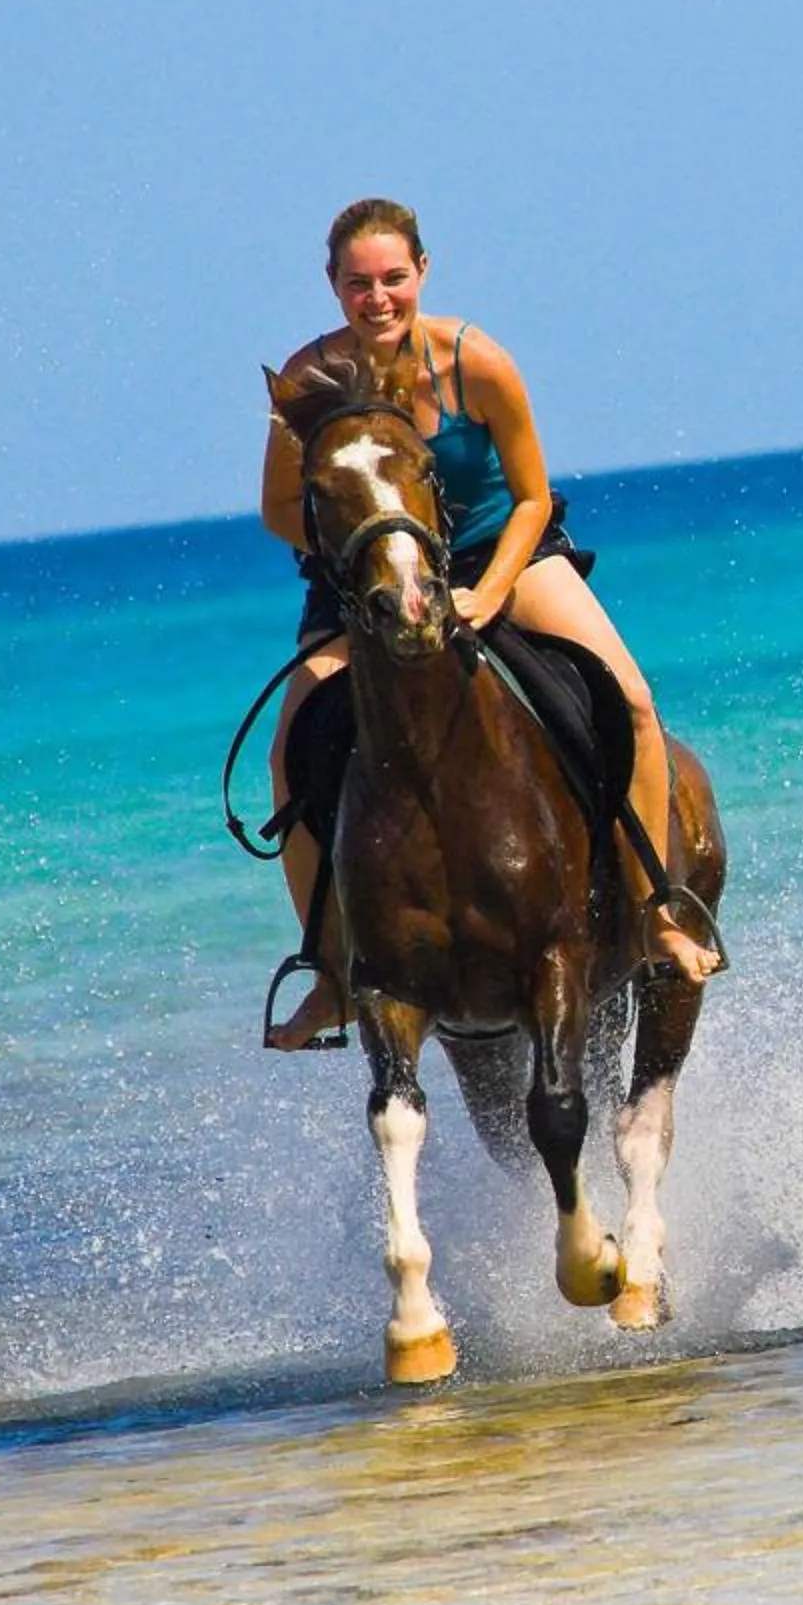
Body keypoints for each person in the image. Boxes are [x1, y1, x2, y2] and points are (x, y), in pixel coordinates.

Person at [259, 197, 722, 1046]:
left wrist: (485, 590)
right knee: (290, 751)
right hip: (365, 577)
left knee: (632, 700)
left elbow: (532, 496)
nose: (378, 298)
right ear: (332, 286)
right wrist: (358, 556)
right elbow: (280, 508)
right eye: (358, 283)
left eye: (393, 278)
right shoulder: (309, 381)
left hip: (494, 556)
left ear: (422, 273)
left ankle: (659, 909)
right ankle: (331, 970)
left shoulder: (477, 362)